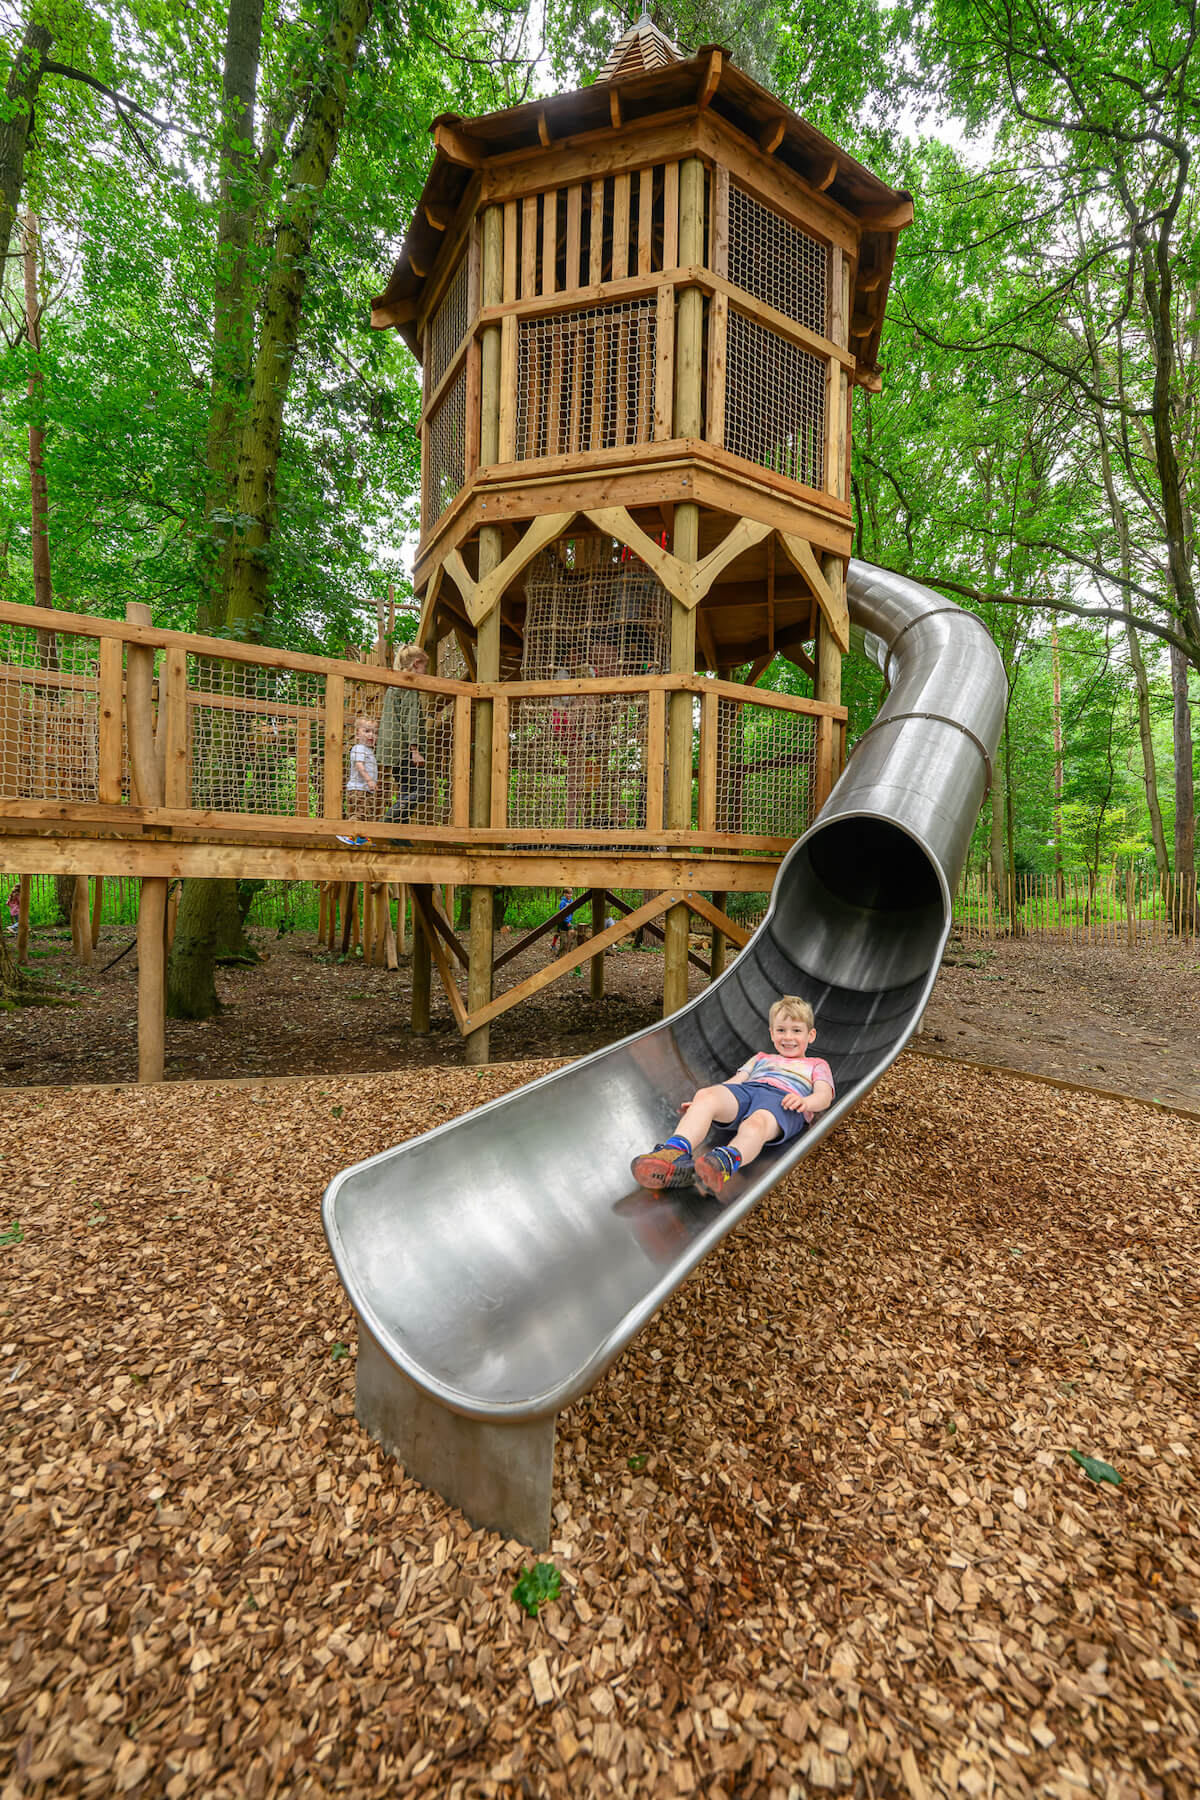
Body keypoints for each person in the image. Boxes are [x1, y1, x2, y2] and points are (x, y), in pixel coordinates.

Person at [630, 995, 835, 1199]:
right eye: (781, 1030)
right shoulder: (761, 1058)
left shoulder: (817, 1065)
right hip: (749, 1090)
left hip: (783, 1102)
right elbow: (736, 1082)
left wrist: (805, 1102)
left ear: (811, 1035)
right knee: (707, 1095)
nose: (788, 1037)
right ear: (772, 1034)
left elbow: (824, 1096)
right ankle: (673, 1153)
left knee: (756, 1124)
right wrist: (702, 1104)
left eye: (796, 1031)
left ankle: (722, 1163)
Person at [378, 643, 431, 824]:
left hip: (392, 748)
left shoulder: (394, 685)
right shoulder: (409, 685)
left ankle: (398, 834)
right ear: (416, 663)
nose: (425, 672)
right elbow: (411, 718)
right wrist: (415, 750)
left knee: (406, 792)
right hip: (405, 749)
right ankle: (386, 822)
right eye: (425, 667)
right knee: (423, 790)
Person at [338, 714, 377, 844]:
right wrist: (369, 780)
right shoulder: (359, 748)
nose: (371, 735)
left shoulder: (369, 751)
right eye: (367, 731)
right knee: (358, 813)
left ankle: (361, 837)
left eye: (374, 732)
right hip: (358, 789)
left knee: (366, 813)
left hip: (366, 790)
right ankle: (346, 834)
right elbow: (359, 765)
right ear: (357, 735)